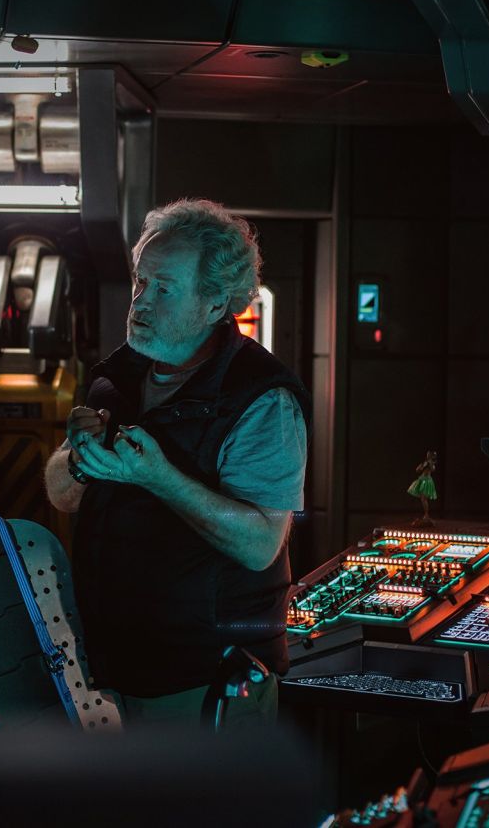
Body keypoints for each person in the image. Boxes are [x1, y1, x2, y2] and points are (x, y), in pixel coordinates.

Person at [44, 199, 310, 727]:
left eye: (164, 289)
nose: (140, 303)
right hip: (115, 666)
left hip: (206, 679)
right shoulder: (118, 377)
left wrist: (160, 478)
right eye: (140, 283)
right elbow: (61, 496)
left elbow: (260, 544)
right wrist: (78, 458)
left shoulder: (261, 399)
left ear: (215, 304)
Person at [407, 450, 438, 527]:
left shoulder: (431, 463)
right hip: (422, 479)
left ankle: (426, 514)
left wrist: (429, 464)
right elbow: (417, 470)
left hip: (426, 481)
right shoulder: (425, 462)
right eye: (428, 455)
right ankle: (426, 515)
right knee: (422, 498)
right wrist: (422, 466)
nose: (428, 456)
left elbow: (433, 469)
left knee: (424, 498)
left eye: (430, 455)